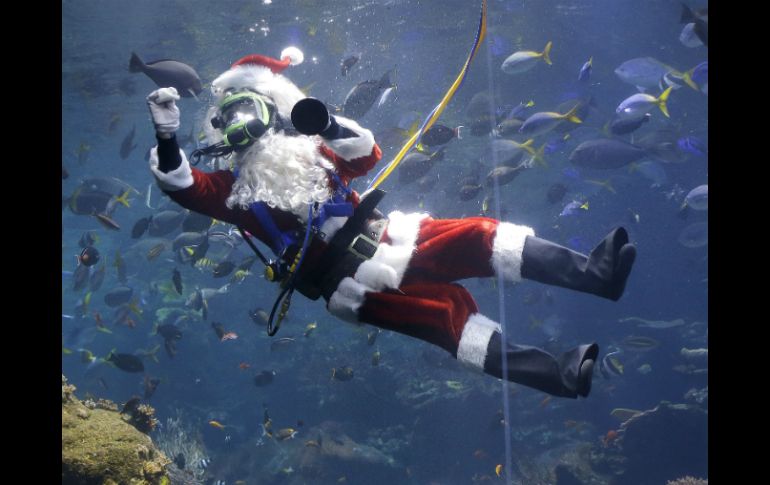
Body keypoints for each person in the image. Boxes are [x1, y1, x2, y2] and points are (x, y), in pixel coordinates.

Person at [145, 47, 636, 399]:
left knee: (482, 235)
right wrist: (167, 137)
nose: (242, 125)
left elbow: (366, 155)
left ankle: (596, 274)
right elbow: (183, 185)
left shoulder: (310, 151)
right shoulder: (233, 194)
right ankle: (558, 374)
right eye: (230, 117)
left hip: (391, 235)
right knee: (450, 318)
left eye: (250, 109)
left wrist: (328, 125)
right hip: (351, 284)